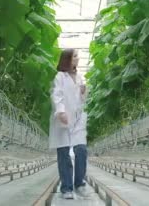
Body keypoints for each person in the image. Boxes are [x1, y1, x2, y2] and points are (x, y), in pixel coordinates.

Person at [49, 49, 89, 200]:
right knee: (64, 153)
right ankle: (66, 187)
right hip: (63, 118)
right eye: (75, 56)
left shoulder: (79, 77)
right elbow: (57, 94)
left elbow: (81, 100)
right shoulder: (60, 76)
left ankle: (79, 183)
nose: (78, 58)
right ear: (68, 60)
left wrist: (83, 92)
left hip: (77, 119)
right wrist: (60, 112)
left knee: (82, 150)